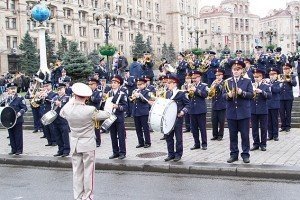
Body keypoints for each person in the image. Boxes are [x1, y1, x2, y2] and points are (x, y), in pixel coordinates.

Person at [60, 82, 110, 200]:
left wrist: (72, 99)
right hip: (87, 144)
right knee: (89, 172)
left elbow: (62, 111)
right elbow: (107, 114)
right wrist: (109, 104)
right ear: (87, 97)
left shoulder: (68, 109)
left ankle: (77, 196)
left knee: (77, 172)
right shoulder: (90, 109)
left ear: (74, 95)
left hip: (75, 144)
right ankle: (87, 197)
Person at [224, 60, 253, 164]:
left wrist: (242, 92)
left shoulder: (247, 81)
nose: (236, 71)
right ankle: (234, 154)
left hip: (243, 113)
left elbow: (251, 95)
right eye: (234, 69)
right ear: (232, 71)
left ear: (242, 70)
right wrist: (228, 95)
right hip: (231, 113)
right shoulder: (227, 82)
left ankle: (245, 154)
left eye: (238, 69)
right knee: (233, 135)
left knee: (245, 135)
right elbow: (223, 95)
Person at [164, 74, 189, 162]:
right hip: (168, 118)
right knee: (168, 137)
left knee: (178, 138)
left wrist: (183, 111)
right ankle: (170, 154)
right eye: (167, 82)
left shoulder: (181, 93)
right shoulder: (167, 93)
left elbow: (188, 104)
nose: (168, 84)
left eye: (170, 83)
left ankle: (178, 154)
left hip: (178, 118)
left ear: (175, 84)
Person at [2, 83, 27, 155]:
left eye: (14, 89)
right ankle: (13, 149)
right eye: (11, 89)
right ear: (8, 90)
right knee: (11, 135)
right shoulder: (7, 99)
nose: (13, 90)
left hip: (18, 119)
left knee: (18, 135)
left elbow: (25, 108)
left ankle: (19, 150)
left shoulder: (20, 98)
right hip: (9, 120)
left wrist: (19, 113)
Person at [250, 69, 272, 151]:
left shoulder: (266, 86)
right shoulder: (251, 85)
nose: (256, 78)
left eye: (258, 77)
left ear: (262, 77)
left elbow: (270, 96)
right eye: (255, 77)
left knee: (263, 128)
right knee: (254, 128)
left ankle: (263, 144)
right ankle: (256, 143)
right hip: (253, 110)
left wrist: (261, 91)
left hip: (263, 110)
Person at [107, 74, 128, 160]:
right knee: (113, 135)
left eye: (115, 82)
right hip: (111, 117)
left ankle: (122, 152)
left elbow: (126, 107)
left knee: (121, 135)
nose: (113, 84)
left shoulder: (122, 94)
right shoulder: (109, 93)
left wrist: (118, 106)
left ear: (119, 84)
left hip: (119, 117)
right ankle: (115, 152)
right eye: (112, 82)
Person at [188, 70, 208, 150]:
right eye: (192, 78)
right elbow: (189, 97)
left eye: (195, 78)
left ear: (199, 77)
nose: (194, 79)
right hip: (192, 109)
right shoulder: (190, 86)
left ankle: (204, 144)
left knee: (202, 128)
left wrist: (196, 90)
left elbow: (205, 95)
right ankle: (196, 143)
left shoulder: (204, 85)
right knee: (194, 128)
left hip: (201, 109)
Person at [131, 77, 152, 148]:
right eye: (138, 84)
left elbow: (146, 101)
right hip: (136, 111)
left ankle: (148, 142)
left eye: (141, 84)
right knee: (138, 128)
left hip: (143, 112)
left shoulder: (147, 91)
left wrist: (139, 96)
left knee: (145, 128)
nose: (139, 86)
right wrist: (133, 97)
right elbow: (132, 101)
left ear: (145, 84)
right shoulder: (135, 91)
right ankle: (141, 142)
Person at [52, 83, 70, 157]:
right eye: (58, 89)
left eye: (61, 89)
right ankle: (60, 150)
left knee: (65, 135)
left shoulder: (68, 98)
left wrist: (60, 105)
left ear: (64, 89)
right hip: (56, 119)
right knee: (57, 136)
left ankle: (66, 150)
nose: (59, 91)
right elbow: (52, 107)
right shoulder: (55, 97)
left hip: (63, 119)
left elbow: (69, 108)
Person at [209, 69, 226, 141]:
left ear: (222, 75)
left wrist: (217, 85)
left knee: (221, 121)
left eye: (219, 75)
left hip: (222, 104)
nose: (217, 76)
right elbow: (210, 92)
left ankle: (220, 135)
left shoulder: (225, 82)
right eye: (216, 75)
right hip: (214, 104)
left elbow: (223, 90)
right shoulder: (213, 82)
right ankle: (215, 135)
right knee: (214, 121)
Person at [279, 63, 297, 132]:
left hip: (289, 97)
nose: (285, 70)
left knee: (288, 112)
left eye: (287, 69)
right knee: (281, 113)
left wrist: (289, 81)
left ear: (290, 69)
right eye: (284, 69)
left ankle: (288, 126)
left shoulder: (292, 76)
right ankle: (283, 126)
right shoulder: (280, 76)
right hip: (281, 97)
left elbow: (295, 84)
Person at [86, 77, 103, 147]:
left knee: (96, 128)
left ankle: (98, 141)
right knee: (89, 127)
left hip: (95, 111)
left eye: (91, 84)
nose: (90, 85)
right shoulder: (87, 92)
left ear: (95, 85)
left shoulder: (99, 92)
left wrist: (90, 96)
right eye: (89, 84)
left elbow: (97, 100)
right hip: (88, 111)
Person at [267, 68, 281, 141]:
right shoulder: (267, 82)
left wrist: (270, 86)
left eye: (273, 74)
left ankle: (275, 135)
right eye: (270, 74)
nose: (271, 76)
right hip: (268, 104)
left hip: (275, 104)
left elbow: (277, 90)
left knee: (275, 120)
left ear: (276, 75)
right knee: (268, 121)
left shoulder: (278, 82)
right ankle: (270, 135)